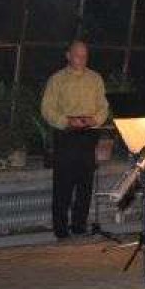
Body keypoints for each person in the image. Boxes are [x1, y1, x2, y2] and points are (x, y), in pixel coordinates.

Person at [40, 40, 109, 240]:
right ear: (68, 56)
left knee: (85, 184)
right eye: (78, 55)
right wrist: (67, 121)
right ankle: (61, 229)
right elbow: (47, 108)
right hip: (66, 135)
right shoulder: (57, 80)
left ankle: (79, 226)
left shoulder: (95, 79)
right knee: (63, 184)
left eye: (84, 56)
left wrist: (94, 119)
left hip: (88, 135)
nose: (81, 59)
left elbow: (103, 106)